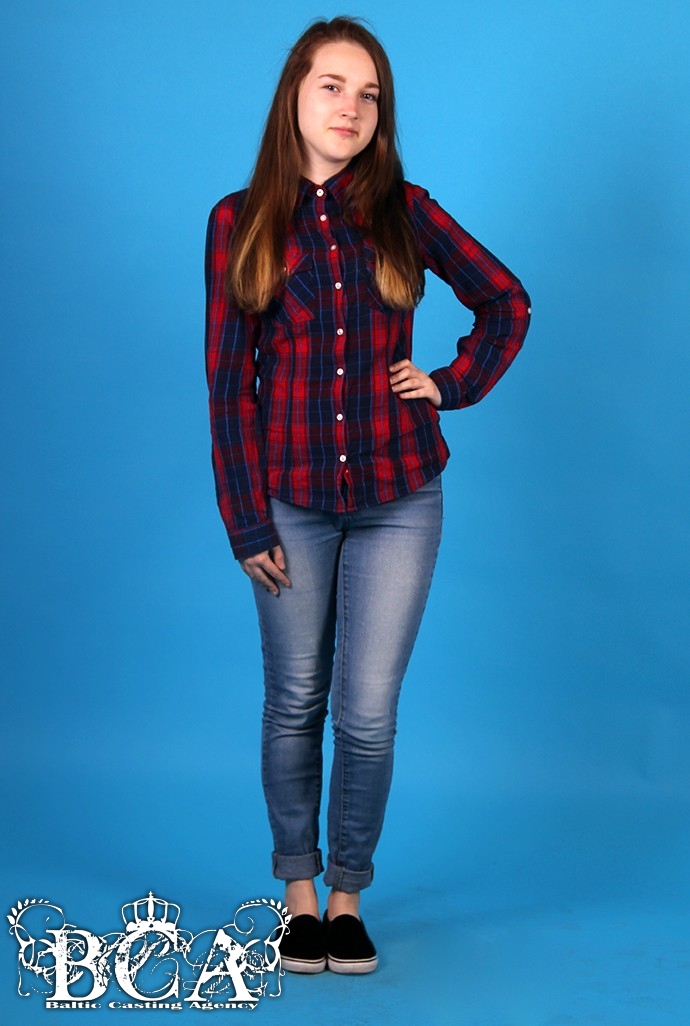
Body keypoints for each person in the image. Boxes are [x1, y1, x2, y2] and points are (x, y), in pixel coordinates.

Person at [205, 16, 530, 975]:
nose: (351, 108)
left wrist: (451, 384)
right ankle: (299, 897)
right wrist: (245, 520)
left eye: (370, 94)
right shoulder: (238, 221)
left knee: (369, 711)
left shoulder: (404, 211)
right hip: (289, 502)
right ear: (295, 97)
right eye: (332, 86)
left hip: (400, 497)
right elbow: (227, 386)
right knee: (294, 698)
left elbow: (506, 302)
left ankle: (348, 899)